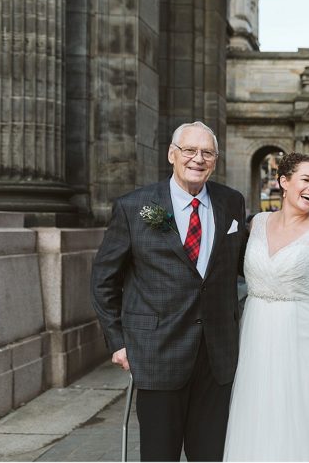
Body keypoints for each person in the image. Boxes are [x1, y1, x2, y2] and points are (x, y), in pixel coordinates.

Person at [91, 121, 247, 461]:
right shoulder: (134, 206)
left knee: (211, 455)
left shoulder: (231, 203)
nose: (198, 159)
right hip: (156, 353)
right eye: (190, 151)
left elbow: (245, 264)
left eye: (207, 152)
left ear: (215, 160)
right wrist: (117, 341)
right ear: (172, 155)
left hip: (217, 356)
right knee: (159, 454)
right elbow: (104, 279)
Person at [223, 153, 309, 461]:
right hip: (256, 332)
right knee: (260, 410)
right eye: (306, 180)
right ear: (283, 182)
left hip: (306, 337)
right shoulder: (255, 223)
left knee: (305, 413)